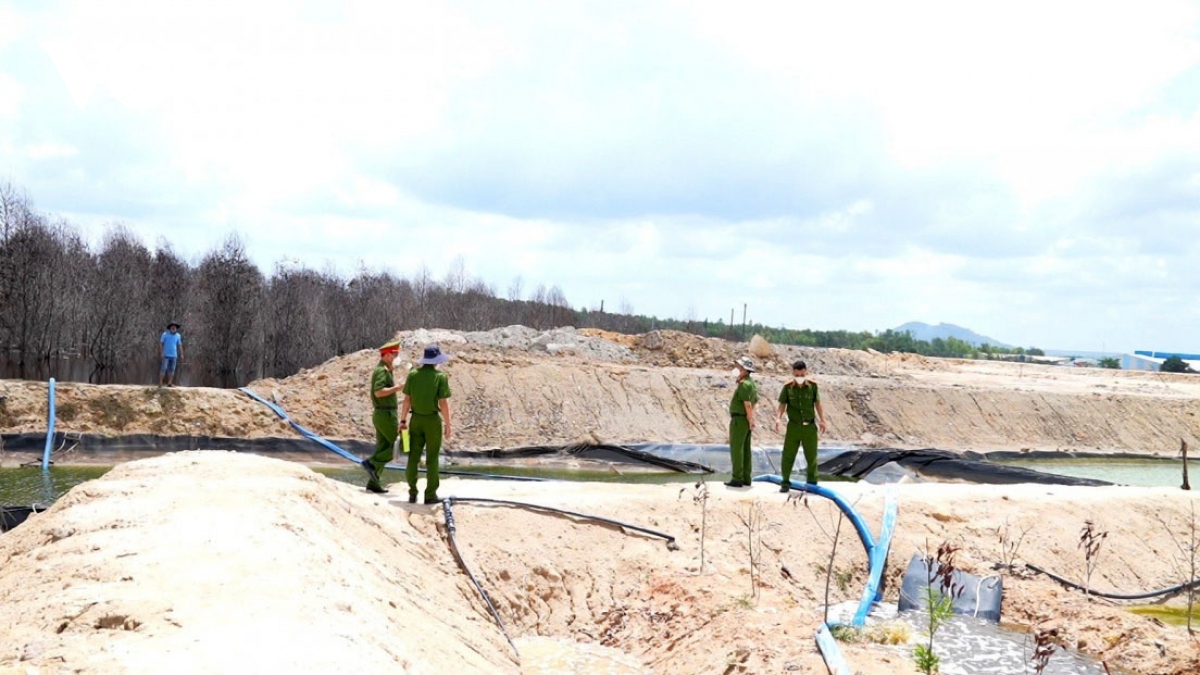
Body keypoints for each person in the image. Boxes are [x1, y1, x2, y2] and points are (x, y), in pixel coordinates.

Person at [400, 343, 453, 504]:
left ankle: (412, 492)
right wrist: (448, 424)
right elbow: (443, 403)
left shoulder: (413, 374)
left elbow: (407, 400)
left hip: (415, 420)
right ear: (437, 360)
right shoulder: (440, 377)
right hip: (432, 421)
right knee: (432, 458)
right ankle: (430, 495)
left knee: (412, 456)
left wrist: (402, 421)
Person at [774, 360, 828, 491]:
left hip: (809, 427)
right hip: (794, 427)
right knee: (788, 455)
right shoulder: (788, 387)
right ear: (793, 373)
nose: (799, 378)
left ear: (806, 373)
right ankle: (785, 482)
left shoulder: (812, 387)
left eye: (801, 375)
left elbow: (818, 404)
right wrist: (778, 419)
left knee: (811, 457)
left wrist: (823, 420)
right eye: (796, 375)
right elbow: (782, 404)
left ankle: (811, 484)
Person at [362, 340, 404, 494]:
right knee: (400, 445)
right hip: (385, 414)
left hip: (384, 413)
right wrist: (397, 388)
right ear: (387, 355)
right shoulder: (381, 371)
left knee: (384, 448)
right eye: (395, 354)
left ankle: (374, 483)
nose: (396, 356)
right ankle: (371, 463)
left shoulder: (386, 369)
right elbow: (378, 392)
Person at [726, 356, 759, 487]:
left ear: (745, 370)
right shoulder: (752, 384)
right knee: (745, 449)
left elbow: (748, 405)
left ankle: (737, 478)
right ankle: (746, 477)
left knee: (737, 449)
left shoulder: (744, 385)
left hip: (740, 419)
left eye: (739, 367)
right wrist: (751, 419)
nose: (736, 369)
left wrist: (750, 419)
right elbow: (754, 403)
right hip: (745, 419)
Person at [159, 322, 184, 387]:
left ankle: (169, 383)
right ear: (170, 328)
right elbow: (161, 343)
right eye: (172, 327)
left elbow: (180, 345)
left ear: (176, 328)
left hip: (174, 355)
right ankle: (160, 382)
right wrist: (161, 352)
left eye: (175, 327)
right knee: (163, 368)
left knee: (172, 369)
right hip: (166, 355)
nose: (173, 328)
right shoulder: (165, 334)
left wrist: (181, 354)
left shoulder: (178, 336)